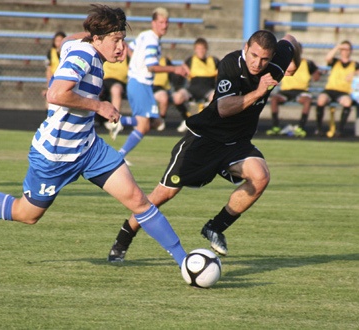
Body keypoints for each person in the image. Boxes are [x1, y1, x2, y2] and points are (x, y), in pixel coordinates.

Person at [0, 5, 187, 268]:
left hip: (88, 149)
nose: (122, 47)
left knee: (138, 200)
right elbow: (56, 93)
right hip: (55, 153)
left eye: (122, 39)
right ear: (98, 39)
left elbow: (66, 40)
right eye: (116, 40)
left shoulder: (82, 46)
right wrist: (100, 106)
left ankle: (185, 261)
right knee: (26, 214)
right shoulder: (83, 56)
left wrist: (95, 32)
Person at [107, 30, 301, 262]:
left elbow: (290, 39)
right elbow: (224, 108)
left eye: (265, 59)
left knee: (260, 176)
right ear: (245, 47)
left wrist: (292, 65)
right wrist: (260, 91)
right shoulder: (231, 64)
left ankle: (215, 227)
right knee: (163, 194)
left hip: (236, 143)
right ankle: (124, 238)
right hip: (203, 139)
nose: (257, 63)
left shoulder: (275, 64)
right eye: (254, 55)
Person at [110, 7, 189, 160]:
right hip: (141, 84)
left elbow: (129, 48)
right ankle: (120, 153)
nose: (164, 26)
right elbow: (151, 66)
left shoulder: (144, 35)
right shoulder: (152, 40)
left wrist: (135, 62)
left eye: (166, 22)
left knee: (155, 122)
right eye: (161, 22)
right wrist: (175, 69)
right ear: (154, 23)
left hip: (135, 82)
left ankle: (120, 124)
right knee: (145, 125)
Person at [267, 44, 322, 138]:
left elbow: (316, 77)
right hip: (286, 90)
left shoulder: (307, 63)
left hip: (301, 91)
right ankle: (275, 126)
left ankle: (300, 127)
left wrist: (317, 73)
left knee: (307, 100)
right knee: (274, 99)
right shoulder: (285, 61)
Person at [173, 38, 220, 133]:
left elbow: (221, 76)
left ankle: (209, 122)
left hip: (208, 89)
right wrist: (178, 88)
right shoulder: (190, 61)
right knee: (177, 97)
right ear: (195, 50)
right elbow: (181, 75)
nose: (201, 51)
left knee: (217, 99)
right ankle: (186, 119)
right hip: (192, 89)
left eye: (203, 48)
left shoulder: (214, 60)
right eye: (198, 48)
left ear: (206, 49)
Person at [315, 40, 359, 138]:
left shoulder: (354, 64)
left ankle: (340, 130)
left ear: (351, 51)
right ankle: (319, 128)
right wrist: (337, 47)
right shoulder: (335, 62)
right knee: (321, 100)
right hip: (330, 89)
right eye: (343, 49)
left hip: (343, 91)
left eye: (347, 49)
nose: (345, 51)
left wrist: (354, 73)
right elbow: (328, 58)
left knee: (347, 102)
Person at [96, 49, 129, 127]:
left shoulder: (127, 57)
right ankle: (94, 119)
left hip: (119, 82)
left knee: (116, 89)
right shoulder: (104, 54)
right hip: (104, 80)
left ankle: (114, 121)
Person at [42, 31, 66, 107]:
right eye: (57, 41)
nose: (59, 43)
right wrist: (49, 83)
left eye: (61, 41)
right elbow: (49, 68)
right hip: (54, 78)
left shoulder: (67, 52)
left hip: (64, 79)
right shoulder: (51, 52)